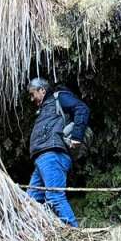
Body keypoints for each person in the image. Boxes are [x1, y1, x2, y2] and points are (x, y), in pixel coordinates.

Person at [26, 77, 87, 227]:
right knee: (30, 200)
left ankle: (75, 234)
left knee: (54, 196)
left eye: (33, 94)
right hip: (43, 158)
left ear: (42, 90)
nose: (32, 98)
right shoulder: (45, 107)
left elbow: (82, 108)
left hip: (52, 155)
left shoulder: (58, 97)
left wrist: (77, 136)